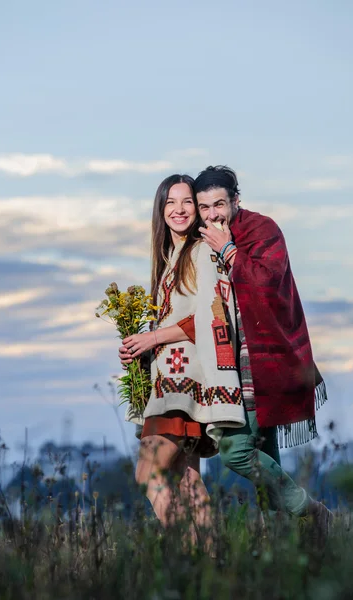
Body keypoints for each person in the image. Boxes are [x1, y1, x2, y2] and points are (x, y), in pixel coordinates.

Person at [194, 165, 333, 541]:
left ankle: (312, 509)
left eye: (219, 204)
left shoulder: (263, 230)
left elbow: (268, 280)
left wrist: (227, 250)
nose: (212, 215)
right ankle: (283, 547)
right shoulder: (200, 239)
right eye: (204, 207)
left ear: (236, 200)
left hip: (262, 360)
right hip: (226, 366)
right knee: (261, 452)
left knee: (237, 452)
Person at [121, 173, 245, 546]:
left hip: (183, 383)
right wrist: (140, 345)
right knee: (188, 479)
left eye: (187, 201)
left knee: (148, 473)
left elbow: (211, 314)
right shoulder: (172, 258)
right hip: (172, 378)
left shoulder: (201, 251)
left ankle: (187, 558)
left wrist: (152, 337)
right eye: (171, 202)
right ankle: (212, 566)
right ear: (161, 210)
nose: (179, 209)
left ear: (197, 208)